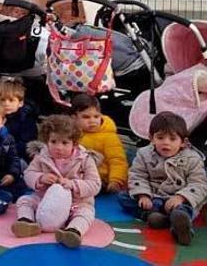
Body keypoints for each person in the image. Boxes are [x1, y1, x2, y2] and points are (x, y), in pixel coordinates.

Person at [12, 115, 101, 249]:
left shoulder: (85, 159)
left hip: (76, 203)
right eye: (53, 142)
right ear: (47, 141)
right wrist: (40, 178)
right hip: (44, 200)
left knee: (86, 213)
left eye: (65, 143)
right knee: (24, 200)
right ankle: (27, 222)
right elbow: (28, 174)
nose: (58, 147)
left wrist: (73, 185)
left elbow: (95, 184)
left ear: (74, 144)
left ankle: (72, 231)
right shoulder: (42, 156)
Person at [119, 112, 207, 245]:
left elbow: (199, 184)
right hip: (154, 197)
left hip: (178, 200)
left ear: (183, 142)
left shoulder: (193, 159)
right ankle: (152, 216)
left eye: (172, 139)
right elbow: (137, 175)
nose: (166, 143)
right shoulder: (144, 154)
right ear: (151, 138)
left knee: (185, 210)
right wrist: (143, 195)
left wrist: (181, 197)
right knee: (123, 197)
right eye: (160, 138)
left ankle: (180, 227)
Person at [71, 94, 127, 193]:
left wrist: (116, 181)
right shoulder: (69, 134)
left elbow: (117, 160)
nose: (92, 121)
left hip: (100, 179)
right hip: (75, 175)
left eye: (96, 116)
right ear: (74, 118)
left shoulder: (108, 136)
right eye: (86, 117)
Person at [0, 77, 37, 162]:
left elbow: (25, 145)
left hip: (17, 158)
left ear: (20, 103)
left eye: (11, 100)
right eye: (2, 100)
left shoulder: (27, 121)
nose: (6, 104)